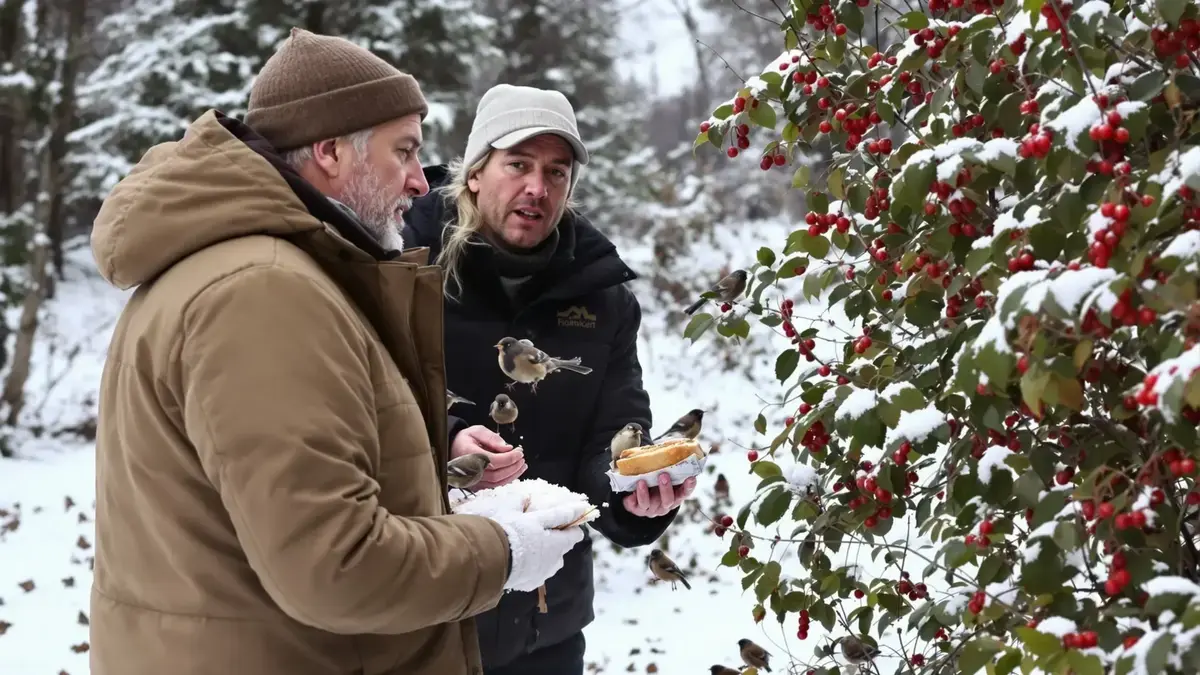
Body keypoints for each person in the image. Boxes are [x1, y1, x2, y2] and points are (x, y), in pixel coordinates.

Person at [87, 29, 588, 675]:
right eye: (403, 151)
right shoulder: (261, 292)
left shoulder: (261, 270)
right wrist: (504, 550)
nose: (419, 181)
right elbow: (336, 564)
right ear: (329, 151)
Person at [402, 83, 698, 675]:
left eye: (556, 172)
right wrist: (449, 436)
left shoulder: (602, 294)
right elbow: (360, 402)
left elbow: (614, 432)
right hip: (420, 619)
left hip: (545, 626)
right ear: (475, 172)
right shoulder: (405, 260)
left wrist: (633, 494)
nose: (538, 187)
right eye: (518, 164)